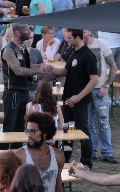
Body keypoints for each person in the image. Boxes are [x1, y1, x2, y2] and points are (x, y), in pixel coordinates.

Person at [11, 112, 80, 192]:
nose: (29, 136)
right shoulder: (20, 156)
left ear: (44, 132)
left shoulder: (58, 155)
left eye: (33, 132)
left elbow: (58, 191)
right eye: (27, 131)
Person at [41, 28, 98, 168]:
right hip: (68, 98)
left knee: (83, 131)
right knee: (66, 129)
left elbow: (94, 80)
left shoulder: (88, 55)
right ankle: (65, 159)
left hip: (80, 101)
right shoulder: (72, 51)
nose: (67, 40)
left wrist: (78, 97)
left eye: (69, 38)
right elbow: (67, 71)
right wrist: (52, 70)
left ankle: (86, 163)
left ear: (78, 37)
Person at [0, 25, 40, 144]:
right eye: (26, 30)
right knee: (9, 126)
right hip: (12, 92)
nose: (29, 32)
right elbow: (18, 70)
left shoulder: (23, 47)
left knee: (21, 127)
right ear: (17, 32)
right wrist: (38, 70)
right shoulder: (8, 49)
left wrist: (39, 70)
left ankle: (17, 154)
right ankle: (3, 155)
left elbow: (28, 68)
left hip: (24, 90)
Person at [84, 30, 117, 164]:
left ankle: (107, 152)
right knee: (89, 123)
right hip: (86, 90)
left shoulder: (101, 45)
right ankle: (92, 152)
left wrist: (106, 85)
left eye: (84, 30)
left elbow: (113, 67)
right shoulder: (79, 47)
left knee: (103, 122)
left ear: (90, 32)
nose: (81, 33)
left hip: (99, 90)